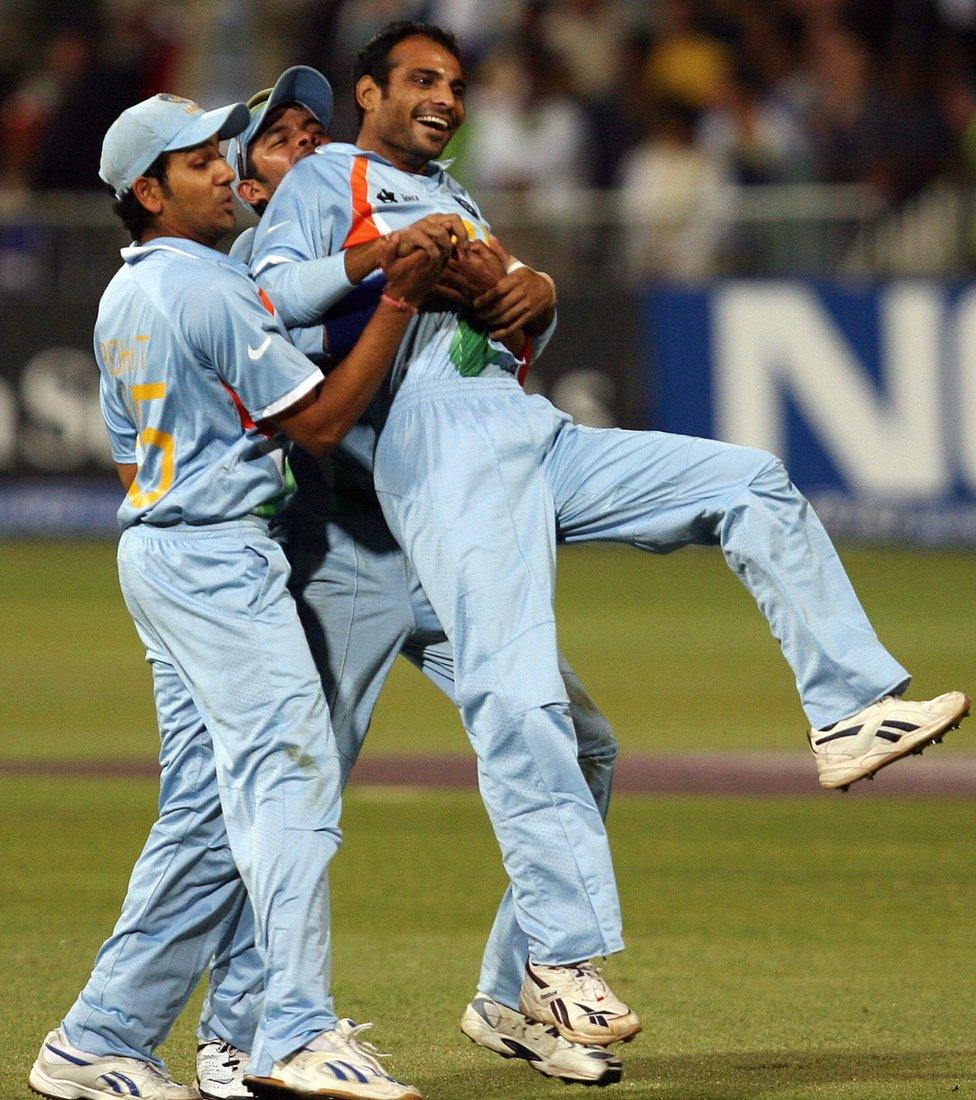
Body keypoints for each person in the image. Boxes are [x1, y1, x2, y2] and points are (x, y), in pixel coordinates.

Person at [251, 6, 971, 867]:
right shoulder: (329, 178)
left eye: (456, 86)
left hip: (522, 428)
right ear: (367, 94)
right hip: (422, 460)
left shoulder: (453, 193)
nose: (446, 98)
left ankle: (851, 709)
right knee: (455, 721)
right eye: (422, 80)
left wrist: (537, 297)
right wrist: (384, 260)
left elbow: (503, 319)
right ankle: (511, 968)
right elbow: (279, 295)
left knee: (750, 481)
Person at [191, 66, 625, 1097]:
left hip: (444, 530)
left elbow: (491, 316)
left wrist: (536, 290)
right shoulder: (259, 270)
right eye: (275, 141)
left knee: (582, 738)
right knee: (303, 784)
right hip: (341, 545)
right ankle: (235, 1029)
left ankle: (514, 990)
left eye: (311, 129)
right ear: (245, 180)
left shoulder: (375, 224)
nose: (304, 149)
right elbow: (322, 401)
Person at [28, 91, 448, 1100]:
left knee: (208, 813)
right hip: (216, 559)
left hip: (165, 550)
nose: (225, 168)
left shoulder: (133, 290)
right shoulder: (204, 289)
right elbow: (320, 422)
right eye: (197, 159)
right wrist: (397, 298)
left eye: (220, 149)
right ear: (147, 190)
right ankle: (291, 1028)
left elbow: (145, 439)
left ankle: (99, 1037)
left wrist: (363, 268)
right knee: (293, 770)